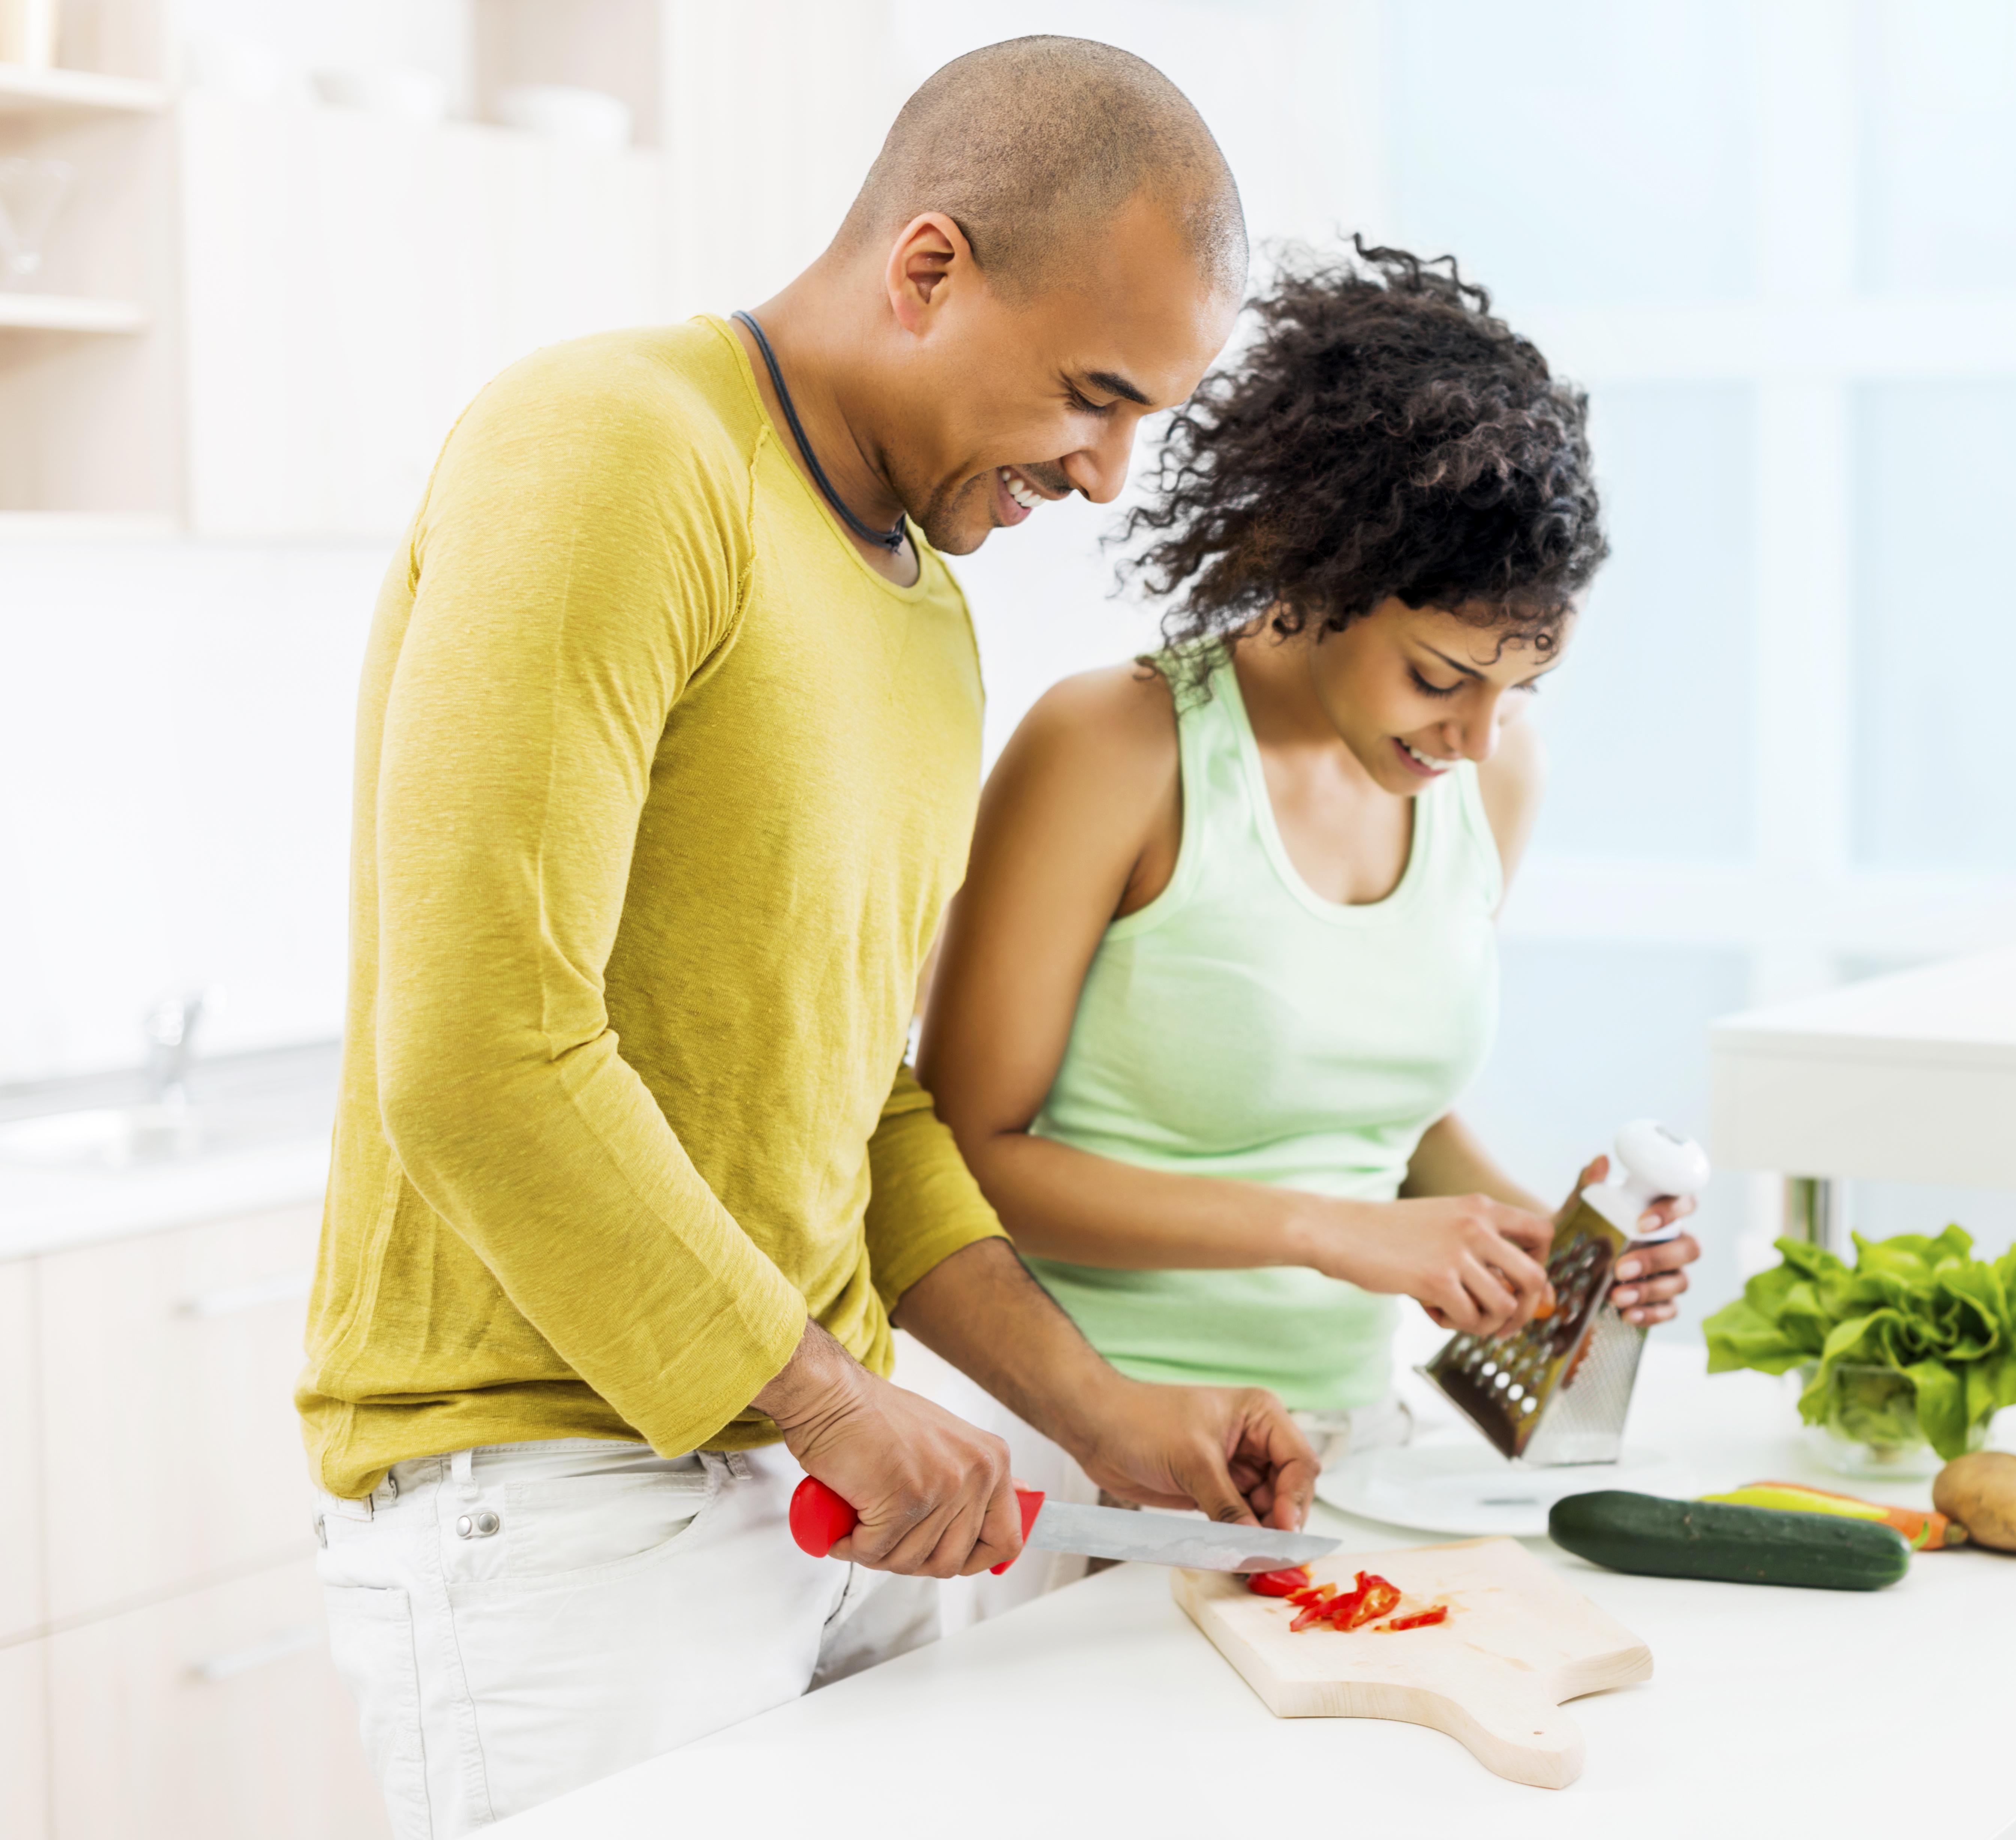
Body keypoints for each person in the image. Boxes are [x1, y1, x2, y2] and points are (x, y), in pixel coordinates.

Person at [296, 38, 1315, 1836]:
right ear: (928, 268)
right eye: (1094, 394)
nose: (1106, 472)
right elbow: (477, 1054)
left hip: (819, 1499)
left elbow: (864, 1107)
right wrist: (838, 1403)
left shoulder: (923, 612)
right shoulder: (618, 446)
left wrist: (1096, 1411)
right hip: (561, 1504)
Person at [922, 245, 1701, 1600]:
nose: (1472, 735)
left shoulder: (1486, 775)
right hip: (1087, 1457)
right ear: (1319, 567)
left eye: (1516, 690)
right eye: (1440, 677)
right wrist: (1333, 1232)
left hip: (1351, 1459)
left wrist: (1549, 1248)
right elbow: (966, 1161)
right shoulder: (1118, 749)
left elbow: (1379, 1130)